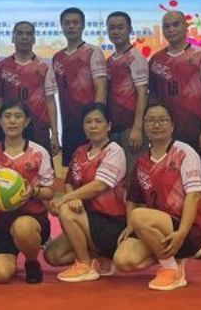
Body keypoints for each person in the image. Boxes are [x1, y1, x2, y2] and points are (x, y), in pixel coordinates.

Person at [112, 103, 201, 291]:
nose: (156, 125)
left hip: (189, 229)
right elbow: (132, 199)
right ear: (144, 125)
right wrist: (131, 226)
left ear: (172, 125)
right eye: (150, 120)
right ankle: (173, 259)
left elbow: (194, 196)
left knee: (139, 216)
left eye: (162, 120)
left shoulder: (185, 153)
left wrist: (181, 233)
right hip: (156, 227)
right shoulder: (142, 161)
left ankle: (171, 269)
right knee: (123, 261)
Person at [148, 10, 201, 259]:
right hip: (165, 136)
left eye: (176, 24)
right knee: (166, 184)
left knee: (199, 186)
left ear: (186, 27)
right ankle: (172, 234)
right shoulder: (156, 60)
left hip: (194, 132)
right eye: (166, 25)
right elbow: (153, 99)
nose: (171, 29)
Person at [44, 103, 127, 282]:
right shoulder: (80, 151)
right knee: (53, 255)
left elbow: (99, 186)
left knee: (65, 210)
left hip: (110, 222)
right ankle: (99, 258)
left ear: (109, 126)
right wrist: (74, 199)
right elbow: (69, 182)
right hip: (86, 217)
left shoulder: (114, 151)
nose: (93, 126)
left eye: (98, 121)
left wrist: (66, 199)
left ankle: (84, 264)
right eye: (88, 122)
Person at [0, 100, 55, 284]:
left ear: (27, 121)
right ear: (0, 121)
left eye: (18, 116)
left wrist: (33, 192)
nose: (12, 121)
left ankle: (31, 261)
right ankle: (11, 256)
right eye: (7, 116)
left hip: (32, 220)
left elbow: (49, 192)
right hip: (2, 222)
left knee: (23, 227)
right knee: (0, 275)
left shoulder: (39, 152)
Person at [0, 21, 60, 155]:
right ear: (13, 38)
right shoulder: (1, 66)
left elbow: (50, 101)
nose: (24, 37)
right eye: (20, 33)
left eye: (29, 34)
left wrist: (55, 135)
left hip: (38, 127)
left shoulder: (45, 66)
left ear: (34, 39)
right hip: (9, 127)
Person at [53, 8, 107, 165]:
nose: (71, 26)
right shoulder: (57, 57)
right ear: (61, 26)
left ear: (83, 26)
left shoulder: (92, 52)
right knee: (71, 168)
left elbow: (101, 88)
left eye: (75, 23)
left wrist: (96, 121)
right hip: (68, 124)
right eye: (67, 23)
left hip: (90, 124)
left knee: (92, 166)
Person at [106, 11, 149, 176]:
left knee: (134, 175)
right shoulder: (110, 60)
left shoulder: (135, 57)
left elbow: (142, 93)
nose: (116, 32)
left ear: (130, 29)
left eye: (120, 27)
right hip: (114, 127)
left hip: (131, 127)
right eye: (111, 28)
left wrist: (137, 128)